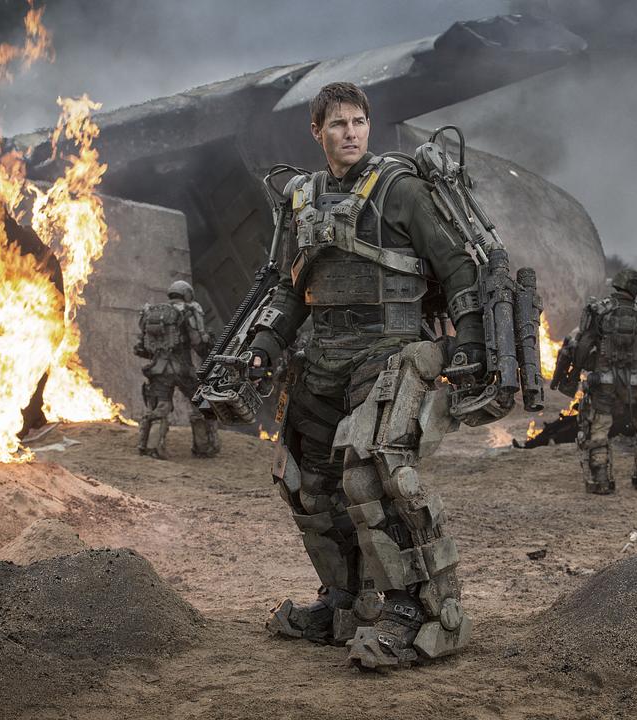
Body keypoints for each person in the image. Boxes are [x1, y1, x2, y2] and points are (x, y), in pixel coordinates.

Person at [244, 82, 488, 669]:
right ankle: (346, 601)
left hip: (389, 350)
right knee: (306, 482)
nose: (350, 133)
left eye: (358, 122)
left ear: (369, 126)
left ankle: (420, 612)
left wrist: (470, 342)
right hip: (323, 354)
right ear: (317, 132)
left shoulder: (401, 190)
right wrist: (265, 343)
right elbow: (292, 287)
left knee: (375, 475)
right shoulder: (303, 199)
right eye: (338, 124)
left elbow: (458, 269)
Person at [572, 269, 637, 494]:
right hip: (636, 381)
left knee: (599, 427)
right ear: (635, 288)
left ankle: (601, 481)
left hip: (604, 381)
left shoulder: (600, 311)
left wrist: (582, 367)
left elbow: (583, 344)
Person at [133, 280, 220, 459]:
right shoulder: (188, 311)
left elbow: (143, 346)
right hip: (182, 369)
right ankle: (203, 447)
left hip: (158, 369)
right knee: (201, 403)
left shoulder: (153, 313)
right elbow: (197, 342)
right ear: (187, 294)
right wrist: (207, 342)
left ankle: (151, 447)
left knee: (160, 407)